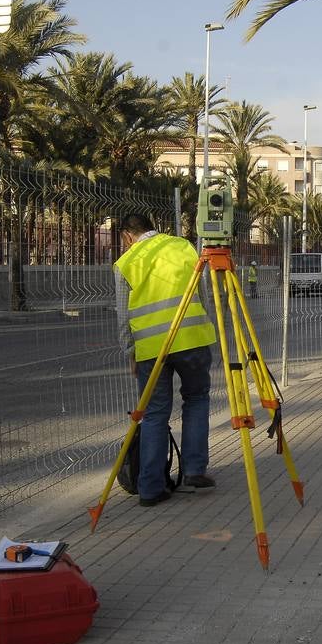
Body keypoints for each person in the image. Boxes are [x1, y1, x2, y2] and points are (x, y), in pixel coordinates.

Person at [114, 213, 218, 505]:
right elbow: (203, 292)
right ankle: (194, 471)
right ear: (152, 228)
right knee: (197, 399)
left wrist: (130, 353)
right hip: (192, 339)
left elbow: (123, 317)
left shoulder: (126, 263)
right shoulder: (183, 247)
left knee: (155, 414)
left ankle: (150, 489)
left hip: (151, 349)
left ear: (127, 236)